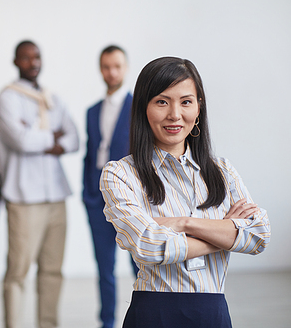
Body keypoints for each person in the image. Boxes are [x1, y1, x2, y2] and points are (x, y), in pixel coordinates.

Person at [100, 56, 271, 327]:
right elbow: (149, 245)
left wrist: (184, 223)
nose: (175, 114)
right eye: (162, 101)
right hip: (153, 315)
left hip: (214, 315)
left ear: (198, 108)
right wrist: (225, 233)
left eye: (186, 102)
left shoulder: (222, 171)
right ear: (143, 107)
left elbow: (259, 235)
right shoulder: (120, 174)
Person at [0, 40, 79, 328]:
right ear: (16, 61)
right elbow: (20, 141)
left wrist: (37, 135)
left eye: (37, 57)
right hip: (24, 198)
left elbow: (74, 138)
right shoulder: (7, 98)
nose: (33, 62)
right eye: (26, 58)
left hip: (56, 195)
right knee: (18, 271)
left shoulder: (51, 97)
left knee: (53, 270)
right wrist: (52, 137)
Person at [82, 45, 138, 328]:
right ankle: (107, 322)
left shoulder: (137, 109)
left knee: (139, 266)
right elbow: (90, 153)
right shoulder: (92, 111)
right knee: (104, 268)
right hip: (96, 200)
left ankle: (143, 317)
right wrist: (86, 193)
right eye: (106, 66)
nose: (111, 72)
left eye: (117, 66)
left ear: (125, 68)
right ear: (100, 69)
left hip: (129, 201)